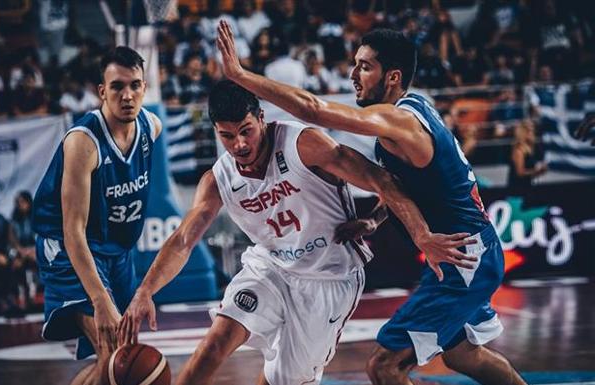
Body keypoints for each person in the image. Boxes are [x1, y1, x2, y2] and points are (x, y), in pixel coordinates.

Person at [216, 21, 527, 385]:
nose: (353, 74)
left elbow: (314, 110)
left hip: (463, 257)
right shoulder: (409, 116)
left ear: (392, 77)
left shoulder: (401, 120)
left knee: (384, 366)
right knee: (463, 355)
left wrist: (240, 75)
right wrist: (376, 220)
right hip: (468, 253)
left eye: (365, 66)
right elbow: (403, 185)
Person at [118, 80, 476, 385]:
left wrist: (400, 228)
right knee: (216, 341)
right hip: (270, 267)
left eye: (246, 131)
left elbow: (381, 179)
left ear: (261, 118)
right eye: (228, 136)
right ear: (216, 132)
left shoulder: (303, 145)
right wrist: (144, 291)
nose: (240, 144)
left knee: (282, 381)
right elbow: (183, 239)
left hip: (328, 279)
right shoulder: (218, 179)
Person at [32, 46, 162, 385]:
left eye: (135, 85)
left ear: (144, 87)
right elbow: (72, 229)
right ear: (101, 91)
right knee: (114, 353)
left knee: (119, 358)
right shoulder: (83, 143)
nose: (128, 95)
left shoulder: (152, 127)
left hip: (116, 250)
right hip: (68, 247)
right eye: (117, 87)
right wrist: (99, 298)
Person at [508, 119, 547, 196]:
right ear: (523, 132)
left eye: (533, 130)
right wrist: (536, 171)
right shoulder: (518, 150)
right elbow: (520, 173)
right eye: (529, 131)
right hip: (517, 189)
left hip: (527, 186)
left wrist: (539, 171)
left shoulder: (531, 149)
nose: (533, 133)